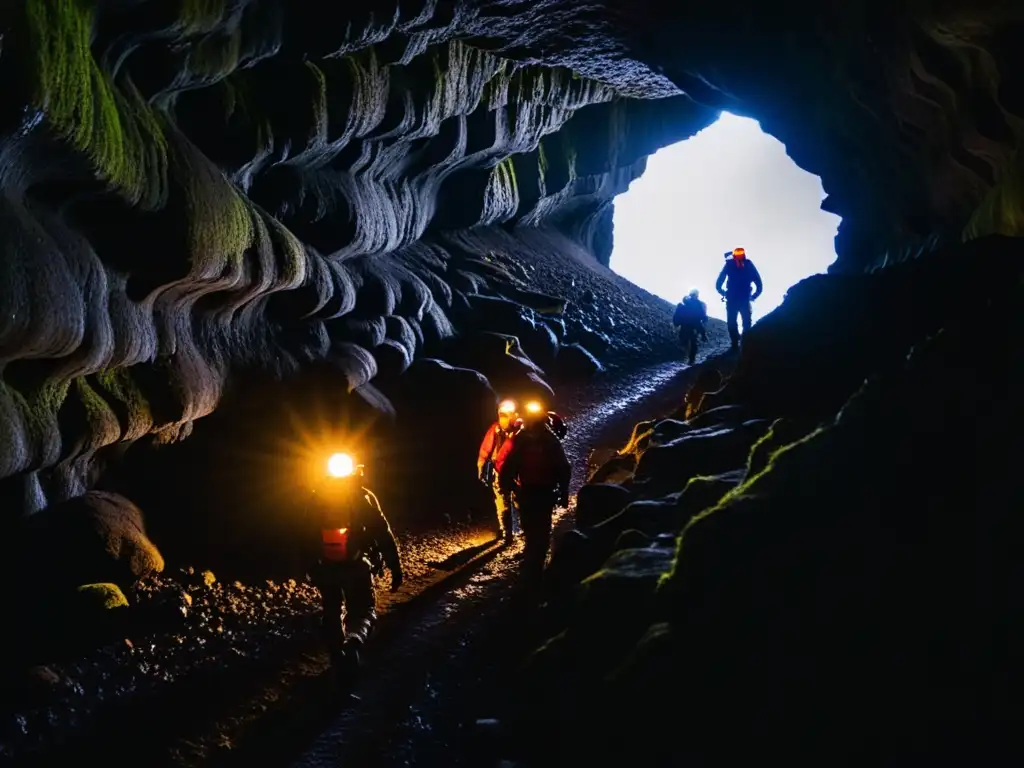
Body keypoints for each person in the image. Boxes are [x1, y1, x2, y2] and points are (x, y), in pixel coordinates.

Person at [307, 451, 403, 672]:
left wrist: (309, 565)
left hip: (326, 567)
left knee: (331, 610)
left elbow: (304, 534)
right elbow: (382, 532)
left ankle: (335, 656)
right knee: (363, 609)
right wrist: (394, 566)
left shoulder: (315, 498)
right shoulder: (363, 496)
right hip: (357, 564)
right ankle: (354, 640)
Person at [497, 400, 571, 581]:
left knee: (532, 527)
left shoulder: (525, 439)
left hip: (531, 491)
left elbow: (508, 464)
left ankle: (532, 562)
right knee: (539, 528)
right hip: (538, 491)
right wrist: (563, 491)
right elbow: (563, 467)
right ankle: (536, 563)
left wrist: (506, 485)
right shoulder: (548, 440)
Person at [477, 399, 523, 542]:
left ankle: (524, 530)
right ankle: (507, 532)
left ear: (514, 415)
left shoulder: (522, 431)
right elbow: (486, 448)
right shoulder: (495, 430)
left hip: (517, 474)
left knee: (519, 502)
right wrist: (481, 465)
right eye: (501, 415)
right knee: (502, 503)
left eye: (506, 415)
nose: (503, 419)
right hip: (500, 471)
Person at [716, 247, 763, 351]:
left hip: (733, 298)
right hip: (744, 298)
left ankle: (736, 344)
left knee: (733, 322)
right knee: (745, 321)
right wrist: (754, 295)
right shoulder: (748, 264)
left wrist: (723, 292)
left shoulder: (729, 265)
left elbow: (719, 283)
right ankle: (744, 343)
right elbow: (758, 283)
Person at [672, 288, 709, 365]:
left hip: (687, 325)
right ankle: (691, 359)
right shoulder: (699, 304)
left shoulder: (685, 303)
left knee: (689, 341)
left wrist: (676, 323)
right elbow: (703, 315)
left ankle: (689, 358)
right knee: (692, 341)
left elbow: (678, 314)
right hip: (694, 325)